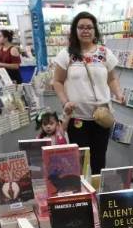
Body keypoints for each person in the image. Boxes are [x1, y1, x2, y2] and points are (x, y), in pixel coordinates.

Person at [51, 11, 123, 174]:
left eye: (89, 27)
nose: (85, 30)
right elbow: (57, 81)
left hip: (102, 116)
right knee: (80, 162)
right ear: (75, 30)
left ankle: (97, 187)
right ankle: (83, 188)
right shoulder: (66, 54)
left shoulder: (104, 53)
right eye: (81, 27)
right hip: (77, 117)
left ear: (95, 30)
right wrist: (65, 102)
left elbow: (112, 79)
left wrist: (119, 93)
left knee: (99, 159)